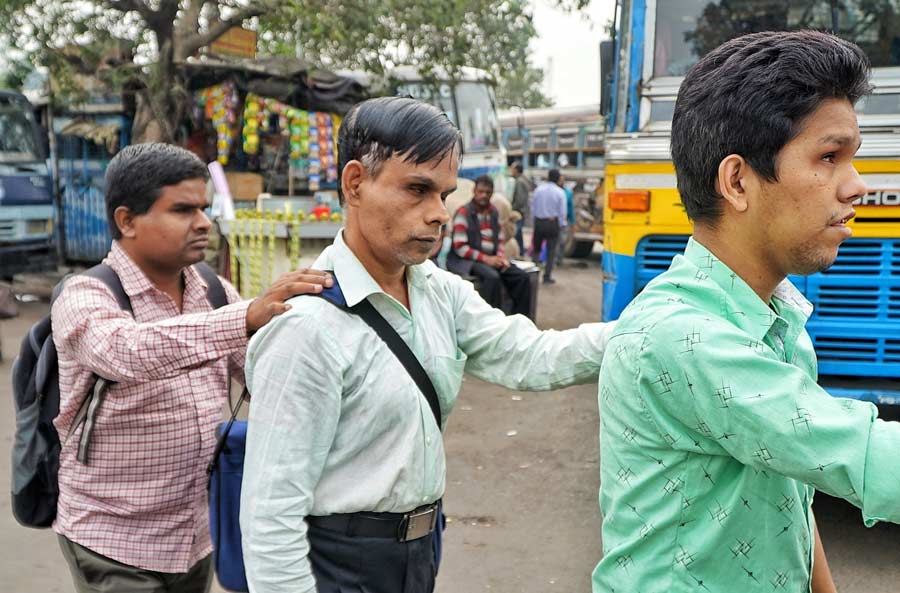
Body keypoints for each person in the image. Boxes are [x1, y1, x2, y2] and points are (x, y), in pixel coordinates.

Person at [240, 96, 614, 593]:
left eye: (444, 193)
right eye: (417, 189)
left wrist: (647, 330)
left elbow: (530, 356)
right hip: (336, 566)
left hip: (420, 552)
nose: (439, 213)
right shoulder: (306, 327)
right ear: (355, 183)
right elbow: (270, 515)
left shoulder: (438, 292)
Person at [593, 30, 900, 593]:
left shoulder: (780, 319)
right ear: (737, 181)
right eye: (829, 157)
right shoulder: (681, 337)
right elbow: (862, 455)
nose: (857, 186)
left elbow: (794, 483)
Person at [50, 143, 330, 593]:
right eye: (182, 210)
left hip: (196, 537)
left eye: (204, 207)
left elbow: (262, 374)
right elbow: (130, 352)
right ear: (127, 221)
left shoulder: (213, 290)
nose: (203, 223)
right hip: (113, 540)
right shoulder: (86, 295)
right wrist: (245, 317)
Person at [446, 174, 533, 316]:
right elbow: (460, 248)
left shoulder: (493, 212)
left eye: (487, 192)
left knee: (522, 277)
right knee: (492, 277)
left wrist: (500, 258)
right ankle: (492, 323)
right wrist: (487, 259)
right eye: (480, 192)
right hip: (467, 260)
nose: (483, 196)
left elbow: (499, 240)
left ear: (492, 193)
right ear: (474, 191)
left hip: (490, 259)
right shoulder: (464, 212)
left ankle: (521, 321)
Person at [530, 168, 567, 284]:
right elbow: (562, 212)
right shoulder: (560, 192)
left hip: (539, 222)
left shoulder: (538, 190)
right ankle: (547, 276)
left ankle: (533, 275)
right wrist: (561, 225)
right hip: (552, 224)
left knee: (536, 249)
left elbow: (532, 207)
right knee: (551, 252)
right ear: (558, 178)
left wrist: (535, 221)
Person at [509, 160, 531, 253]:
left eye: (512, 169)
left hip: (519, 212)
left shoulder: (520, 181)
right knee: (519, 234)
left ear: (516, 170)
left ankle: (519, 252)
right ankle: (521, 251)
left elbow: (519, 200)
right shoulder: (522, 180)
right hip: (521, 211)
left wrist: (512, 209)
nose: (511, 171)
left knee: (515, 232)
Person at [556, 174, 575, 266]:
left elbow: (571, 208)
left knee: (562, 241)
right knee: (553, 241)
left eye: (563, 180)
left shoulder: (567, 193)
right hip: (554, 220)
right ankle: (552, 259)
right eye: (560, 179)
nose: (561, 181)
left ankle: (559, 259)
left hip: (564, 220)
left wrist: (572, 222)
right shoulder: (554, 192)